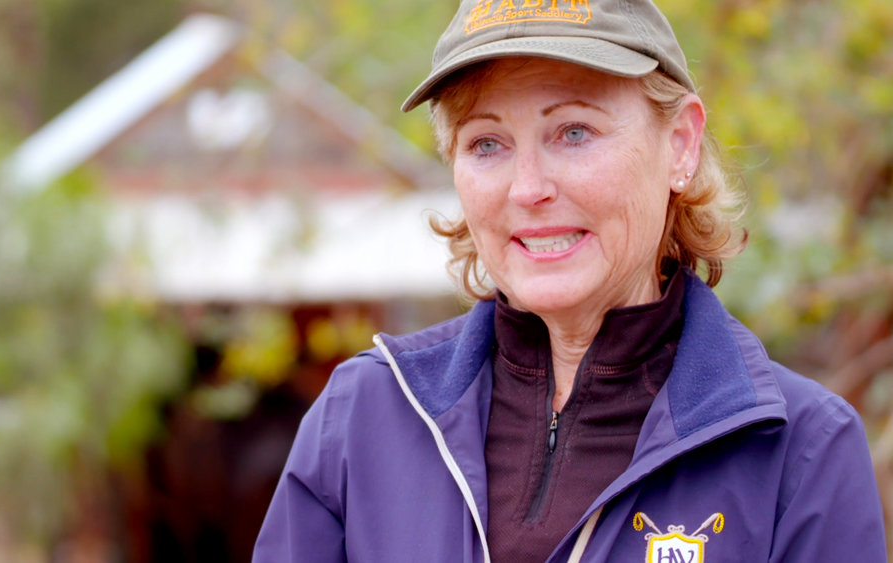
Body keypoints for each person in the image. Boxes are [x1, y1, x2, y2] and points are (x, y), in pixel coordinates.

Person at [253, 0, 888, 561]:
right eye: (487, 144)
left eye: (574, 132)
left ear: (680, 144)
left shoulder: (799, 452)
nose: (528, 189)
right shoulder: (363, 417)